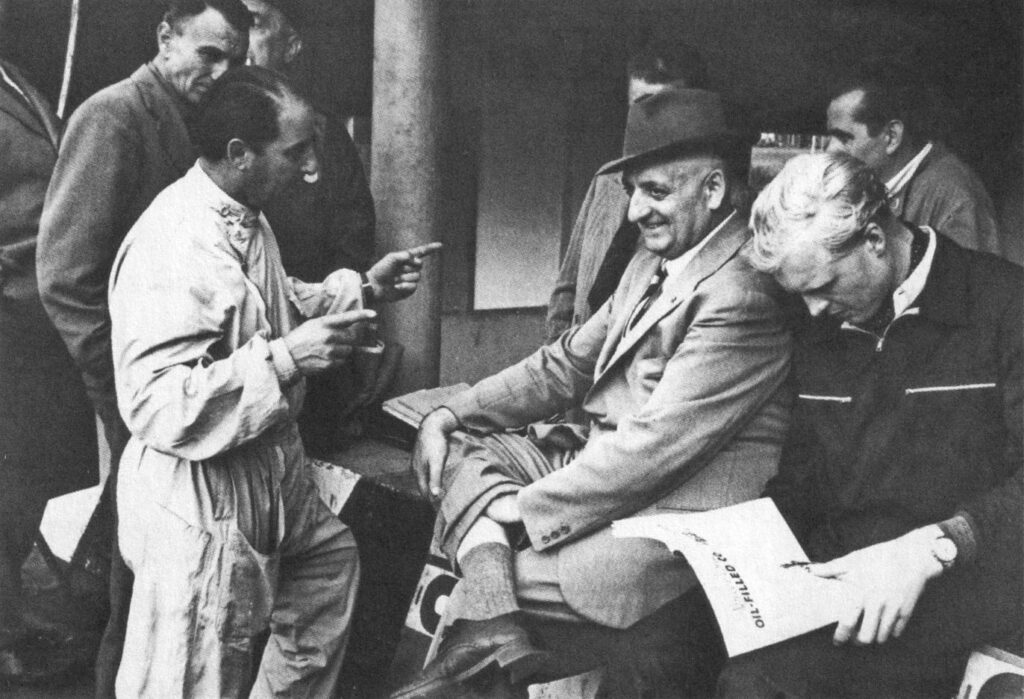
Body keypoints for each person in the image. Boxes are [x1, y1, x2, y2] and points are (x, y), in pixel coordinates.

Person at [394, 88, 792, 698]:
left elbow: (653, 449)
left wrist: (522, 509)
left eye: (654, 191)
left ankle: (482, 642)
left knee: (492, 581)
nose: (634, 211)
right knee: (454, 451)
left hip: (671, 520)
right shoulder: (655, 259)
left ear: (713, 191)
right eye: (633, 191)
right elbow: (564, 364)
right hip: (595, 472)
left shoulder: (743, 294)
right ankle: (489, 639)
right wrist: (450, 413)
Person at [108, 66, 440, 696]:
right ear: (239, 155)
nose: (313, 168)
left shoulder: (246, 217)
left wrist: (362, 287)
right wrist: (286, 360)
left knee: (328, 567)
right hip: (202, 489)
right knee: (191, 674)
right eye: (296, 152)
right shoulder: (174, 243)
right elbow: (155, 404)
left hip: (268, 470)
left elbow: (268, 303)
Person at [716, 152, 1022, 697]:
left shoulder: (1005, 306)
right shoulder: (824, 325)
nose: (811, 311)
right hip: (837, 582)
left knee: (758, 685)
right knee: (658, 652)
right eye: (798, 294)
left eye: (823, 284)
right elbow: (801, 484)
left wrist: (936, 546)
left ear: (876, 240)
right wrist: (734, 551)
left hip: (958, 587)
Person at [36, 2, 251, 693]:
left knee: (158, 577)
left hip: (186, 391)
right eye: (208, 54)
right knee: (139, 582)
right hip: (140, 395)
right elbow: (65, 277)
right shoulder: (114, 115)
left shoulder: (193, 122)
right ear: (165, 37)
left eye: (234, 61)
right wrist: (121, 391)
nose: (220, 73)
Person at [243, 0, 381, 453]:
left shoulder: (322, 133)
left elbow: (353, 231)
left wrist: (330, 318)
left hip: (309, 349)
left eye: (255, 24)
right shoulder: (200, 128)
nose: (241, 36)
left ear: (292, 44)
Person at [0, 57, 97, 684]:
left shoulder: (15, 80)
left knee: (27, 474)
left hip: (40, 319)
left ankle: (13, 619)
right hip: (9, 309)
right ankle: (7, 635)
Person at [544, 41, 709, 342]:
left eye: (665, 109)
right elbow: (568, 284)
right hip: (580, 359)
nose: (652, 124)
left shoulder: (701, 198)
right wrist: (557, 347)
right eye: (641, 108)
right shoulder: (606, 180)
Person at [825, 64, 1007, 259]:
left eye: (844, 138)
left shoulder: (957, 197)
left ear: (891, 137)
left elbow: (972, 287)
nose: (829, 150)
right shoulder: (871, 182)